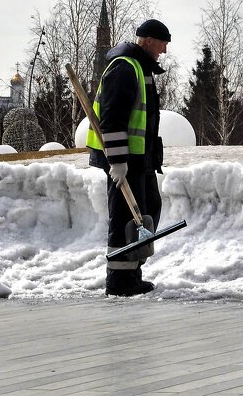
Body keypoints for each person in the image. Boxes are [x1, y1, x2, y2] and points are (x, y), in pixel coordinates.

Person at [87, 19, 170, 297]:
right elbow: (112, 119)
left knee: (145, 214)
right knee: (125, 218)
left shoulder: (139, 66)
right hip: (125, 161)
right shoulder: (124, 67)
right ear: (148, 41)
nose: (165, 50)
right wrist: (118, 162)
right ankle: (120, 280)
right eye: (162, 43)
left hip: (140, 160)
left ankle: (132, 271)